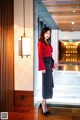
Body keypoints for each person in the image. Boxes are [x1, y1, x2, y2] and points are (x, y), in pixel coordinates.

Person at [38, 27, 54, 115]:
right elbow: (40, 56)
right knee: (46, 84)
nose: (48, 35)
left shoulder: (47, 42)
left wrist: (52, 65)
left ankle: (43, 102)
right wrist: (42, 68)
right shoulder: (40, 43)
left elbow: (50, 55)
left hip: (48, 65)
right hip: (45, 65)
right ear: (43, 33)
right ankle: (43, 104)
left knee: (48, 84)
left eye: (49, 33)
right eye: (47, 33)